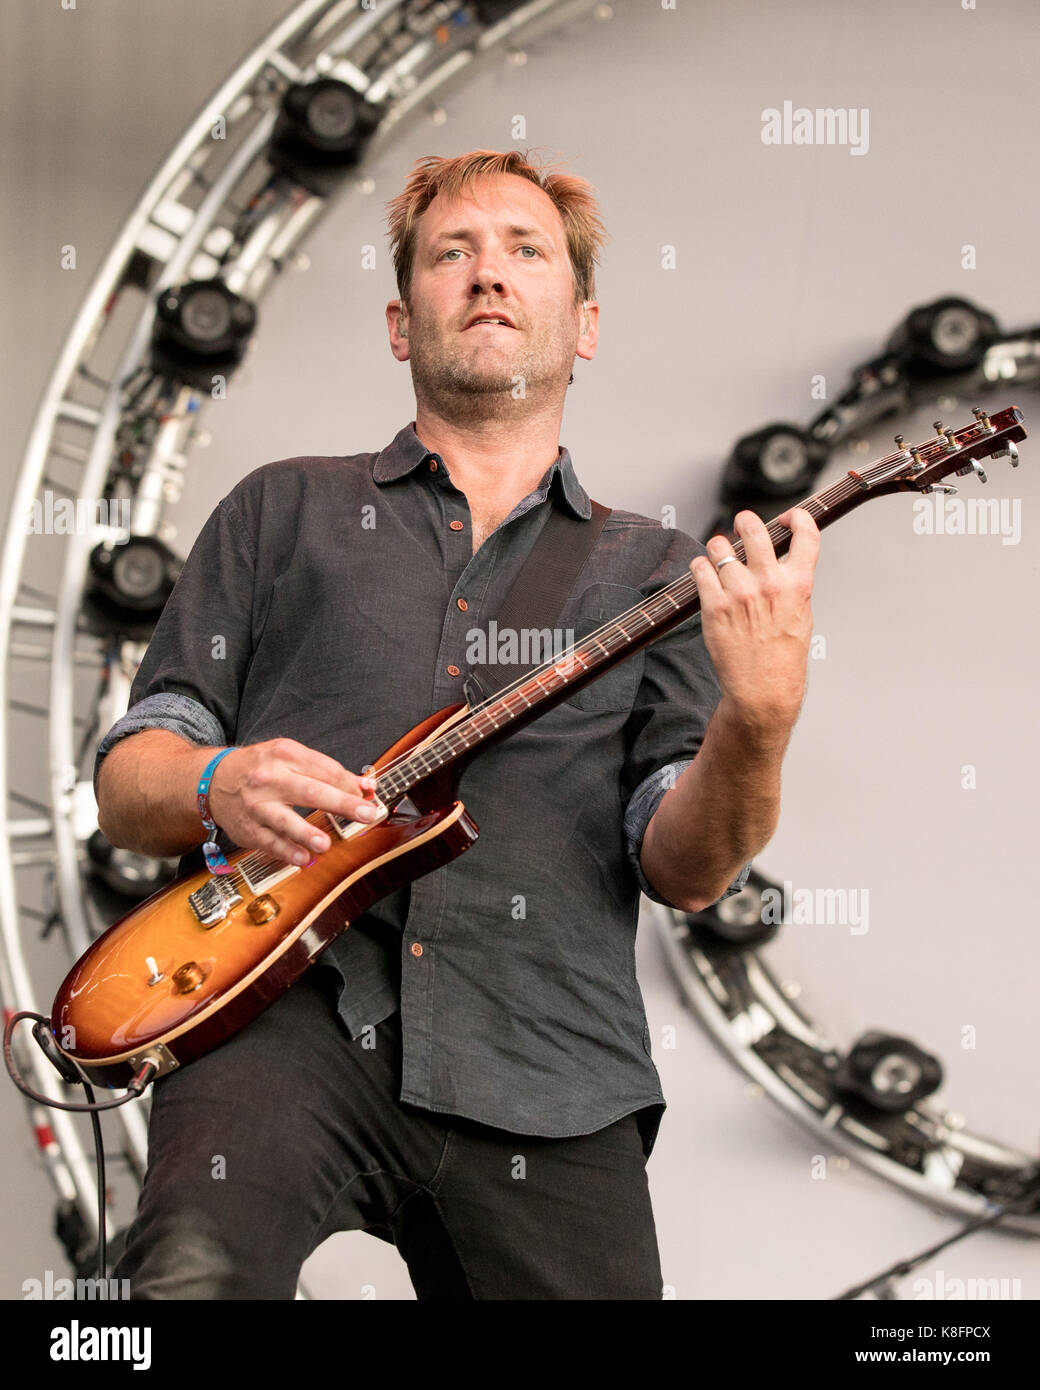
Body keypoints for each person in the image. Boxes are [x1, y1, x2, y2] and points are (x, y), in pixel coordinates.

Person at [94, 148, 819, 1300]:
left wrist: (763, 717)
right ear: (400, 322)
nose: (488, 274)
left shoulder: (661, 573)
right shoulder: (282, 509)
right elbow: (130, 776)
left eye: (524, 250)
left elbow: (682, 867)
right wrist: (214, 778)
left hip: (550, 1062)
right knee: (187, 1281)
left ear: (583, 325)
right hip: (288, 1016)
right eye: (452, 253)